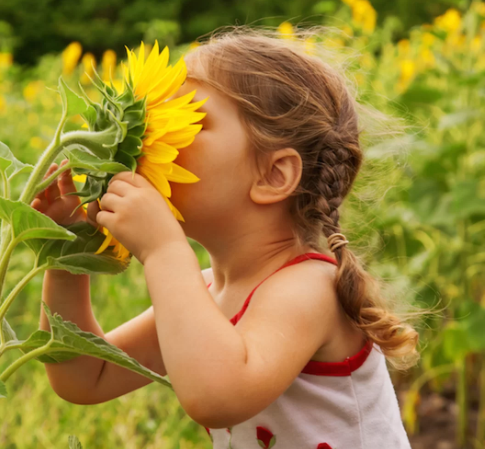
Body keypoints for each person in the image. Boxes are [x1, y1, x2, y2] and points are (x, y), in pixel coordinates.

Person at [31, 26, 419, 449]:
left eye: (186, 120)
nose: (150, 137)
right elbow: (87, 377)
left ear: (273, 175)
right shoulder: (207, 290)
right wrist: (70, 252)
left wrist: (164, 252)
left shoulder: (309, 289)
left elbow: (216, 397)